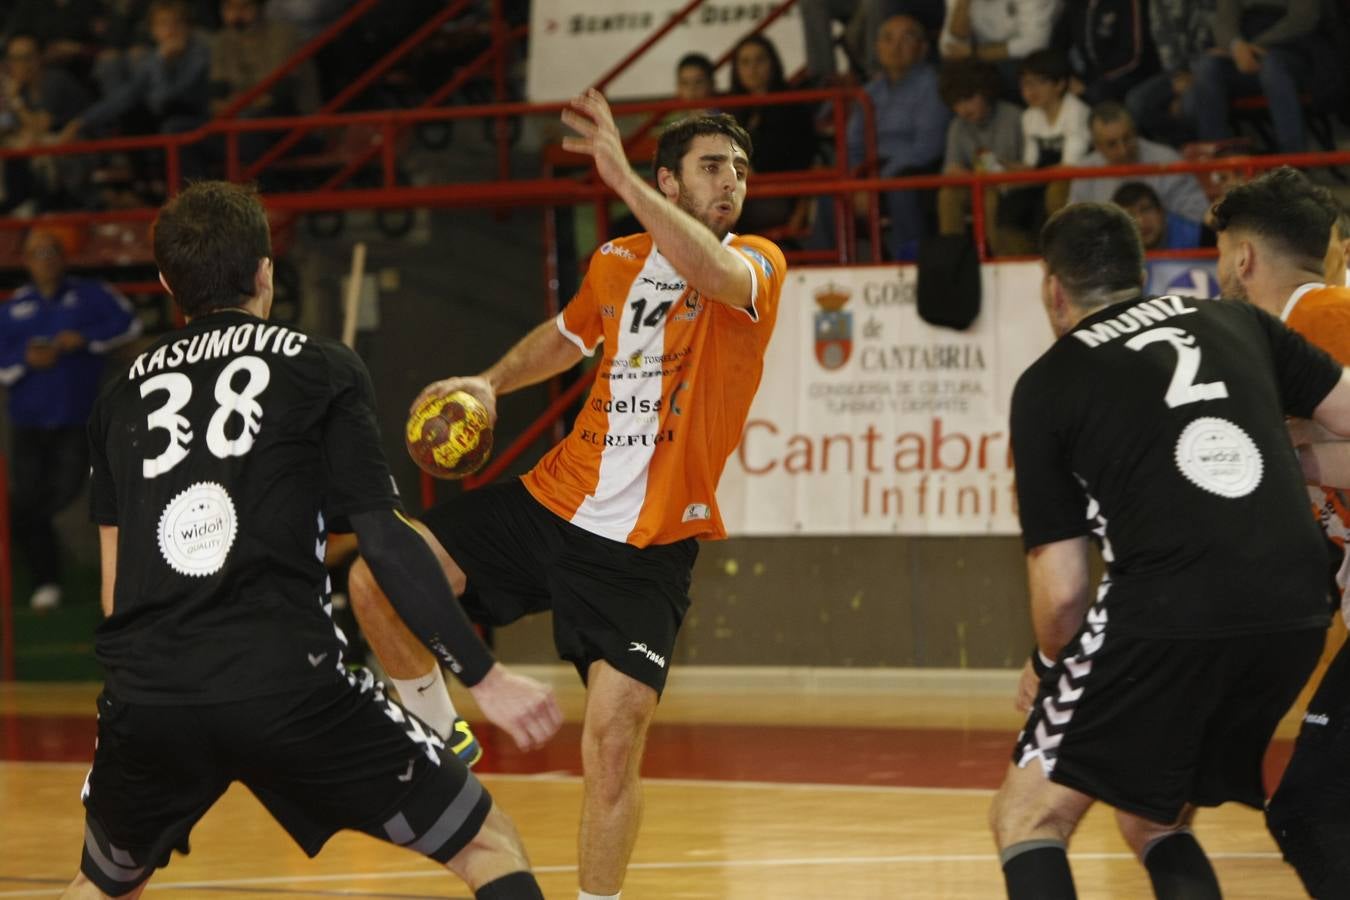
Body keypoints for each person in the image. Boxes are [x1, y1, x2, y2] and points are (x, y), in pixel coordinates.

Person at [65, 181, 561, 899]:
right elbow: (386, 543)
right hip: (288, 687)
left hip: (151, 696)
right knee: (487, 842)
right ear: (267, 271)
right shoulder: (319, 366)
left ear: (169, 284)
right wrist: (484, 675)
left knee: (102, 886)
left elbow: (117, 591)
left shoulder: (117, 397)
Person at [345, 95, 786, 900]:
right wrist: (488, 380)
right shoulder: (616, 262)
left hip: (644, 553)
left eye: (741, 171)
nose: (733, 183)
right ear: (671, 180)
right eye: (713, 168)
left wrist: (617, 175)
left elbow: (709, 270)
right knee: (379, 573)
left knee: (613, 749)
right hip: (550, 505)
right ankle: (438, 731)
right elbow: (568, 335)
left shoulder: (756, 264)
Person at [989, 200, 1350, 900]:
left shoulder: (1048, 383)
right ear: (1144, 271)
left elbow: (1062, 589)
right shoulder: (1238, 319)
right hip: (1302, 608)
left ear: (1053, 290)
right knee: (1153, 820)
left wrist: (1046, 666)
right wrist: (1285, 454)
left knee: (1028, 815)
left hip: (1174, 605)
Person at [1210, 168, 1350, 899]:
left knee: (1311, 809)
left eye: (1219, 252)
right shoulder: (1314, 320)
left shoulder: (1317, 319)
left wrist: (1271, 453)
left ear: (1242, 258)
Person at [0, 226, 140, 611]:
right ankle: (46, 581)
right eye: (36, 253)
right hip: (27, 422)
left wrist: (84, 339)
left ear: (63, 257)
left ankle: (60, 577)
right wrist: (23, 361)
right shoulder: (12, 308)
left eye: (51, 252)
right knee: (29, 501)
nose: (45, 260)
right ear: (25, 261)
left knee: (56, 496)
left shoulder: (90, 296)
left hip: (76, 420)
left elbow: (129, 324)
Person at [847, 13, 948, 260]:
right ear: (877, 48)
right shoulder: (869, 92)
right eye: (888, 39)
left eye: (906, 39)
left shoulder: (932, 85)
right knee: (831, 197)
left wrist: (880, 179)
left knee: (901, 186)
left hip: (915, 170)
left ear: (923, 48)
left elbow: (928, 147)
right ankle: (829, 270)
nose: (896, 47)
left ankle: (910, 262)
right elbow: (853, 145)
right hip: (874, 174)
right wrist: (859, 181)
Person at [1189, 0, 1336, 154]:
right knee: (1208, 66)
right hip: (1244, 55)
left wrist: (1256, 45)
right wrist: (1236, 46)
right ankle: (1219, 159)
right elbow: (1223, 21)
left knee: (1272, 66)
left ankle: (1292, 159)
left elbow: (1304, 18)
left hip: (1294, 51)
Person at [727, 34, 817, 235]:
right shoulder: (730, 112)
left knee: (715, 210)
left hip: (778, 196)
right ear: (736, 69)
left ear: (773, 63)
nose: (753, 68)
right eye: (745, 62)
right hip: (735, 193)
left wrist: (801, 211)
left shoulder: (794, 107)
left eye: (760, 60)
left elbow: (807, 162)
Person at [1067, 101, 1210, 226]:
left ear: (1135, 132)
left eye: (1127, 138)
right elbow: (1075, 224)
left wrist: (1159, 223)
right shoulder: (1085, 172)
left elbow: (1198, 213)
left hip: (1167, 251)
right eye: (1112, 144)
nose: (1123, 150)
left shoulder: (1167, 160)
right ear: (1097, 146)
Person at [934, 58, 1025, 255]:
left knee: (990, 197)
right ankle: (954, 259)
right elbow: (951, 169)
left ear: (986, 92)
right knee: (948, 195)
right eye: (956, 102)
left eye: (969, 98)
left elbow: (1024, 165)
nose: (963, 108)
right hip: (976, 184)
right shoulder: (957, 125)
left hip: (1011, 187)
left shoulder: (1013, 116)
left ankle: (994, 261)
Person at [1111, 181, 1202, 250]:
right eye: (1130, 215)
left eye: (1146, 210)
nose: (1141, 221)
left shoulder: (1196, 237)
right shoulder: (1110, 246)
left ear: (1161, 212)